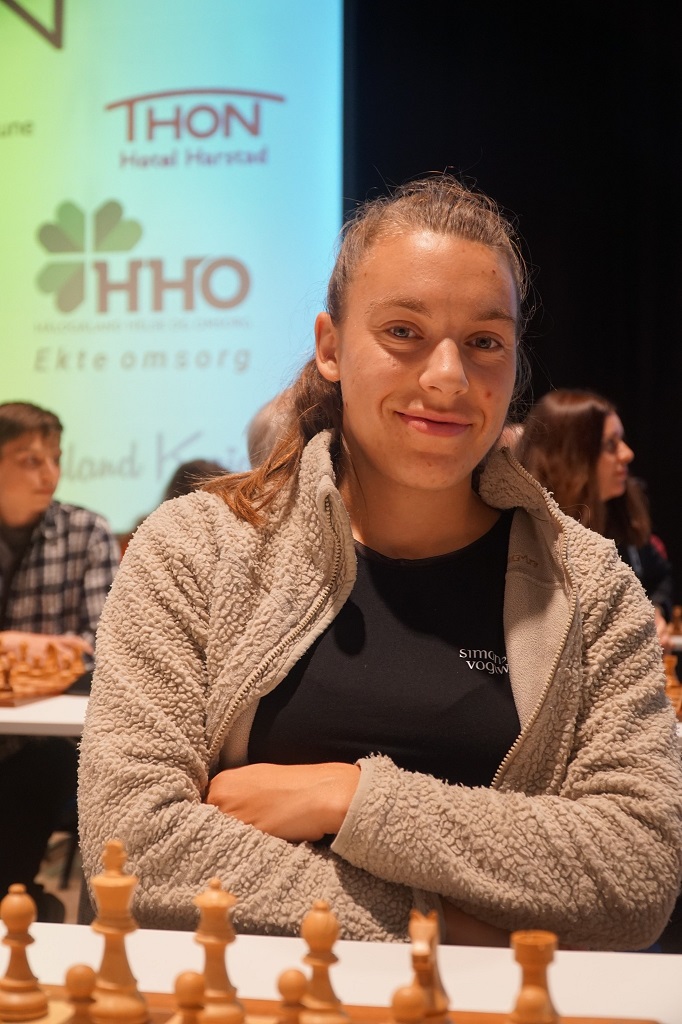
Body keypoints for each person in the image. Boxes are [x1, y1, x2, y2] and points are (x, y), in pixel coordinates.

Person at [78, 176, 682, 950]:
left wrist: (353, 798)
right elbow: (136, 847)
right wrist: (444, 930)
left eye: (485, 342)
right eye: (403, 331)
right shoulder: (196, 548)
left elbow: (635, 874)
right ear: (331, 348)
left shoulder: (590, 586)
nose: (447, 376)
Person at [0, 401, 120, 919]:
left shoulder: (86, 532)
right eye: (30, 460)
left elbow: (103, 645)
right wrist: (38, 648)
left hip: (49, 742)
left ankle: (20, 908)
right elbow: (70, 648)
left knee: (30, 778)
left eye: (56, 458)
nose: (50, 473)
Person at [515, 389, 674, 649]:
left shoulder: (622, 514)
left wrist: (655, 610)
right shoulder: (526, 535)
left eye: (621, 440)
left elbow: (659, 577)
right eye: (611, 444)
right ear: (570, 457)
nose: (627, 454)